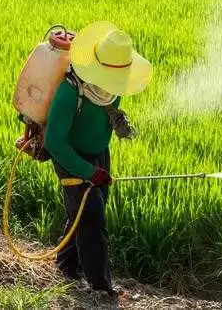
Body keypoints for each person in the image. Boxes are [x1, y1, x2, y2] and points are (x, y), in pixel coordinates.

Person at [43, 21, 152, 298]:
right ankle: (101, 285)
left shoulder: (111, 89)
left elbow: (102, 111)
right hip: (71, 157)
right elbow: (54, 141)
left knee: (84, 210)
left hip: (100, 155)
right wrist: (87, 171)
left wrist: (115, 118)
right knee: (92, 217)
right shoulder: (70, 91)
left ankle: (67, 265)